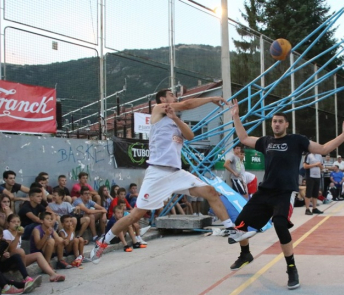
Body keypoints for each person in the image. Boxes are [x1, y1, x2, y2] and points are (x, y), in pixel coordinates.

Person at [91, 89, 251, 262]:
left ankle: (231, 230)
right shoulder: (158, 110)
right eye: (172, 95)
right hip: (157, 172)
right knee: (135, 215)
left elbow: (190, 135)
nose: (175, 97)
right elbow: (186, 104)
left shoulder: (176, 121)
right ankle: (103, 242)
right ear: (163, 98)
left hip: (176, 172)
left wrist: (175, 118)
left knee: (210, 191)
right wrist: (211, 99)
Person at [229, 99, 344, 289]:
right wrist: (235, 116)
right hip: (265, 191)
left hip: (284, 193)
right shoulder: (266, 141)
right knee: (240, 223)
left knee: (280, 225)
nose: (277, 124)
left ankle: (291, 268)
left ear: (286, 124)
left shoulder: (297, 140)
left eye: (280, 121)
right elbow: (243, 138)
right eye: (274, 121)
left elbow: (324, 149)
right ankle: (245, 254)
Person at [3, 214, 65, 282]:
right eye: (13, 222)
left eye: (18, 222)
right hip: (8, 259)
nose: (16, 224)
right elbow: (10, 249)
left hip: (20, 259)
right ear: (8, 223)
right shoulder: (6, 233)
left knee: (38, 254)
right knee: (20, 251)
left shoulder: (18, 233)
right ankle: (25, 277)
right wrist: (18, 235)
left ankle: (53, 275)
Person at [0, 226, 39, 295]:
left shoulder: (4, 244)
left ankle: (27, 278)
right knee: (5, 280)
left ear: (0, 236)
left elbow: (1, 259)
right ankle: (14, 287)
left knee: (16, 256)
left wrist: (6, 256)